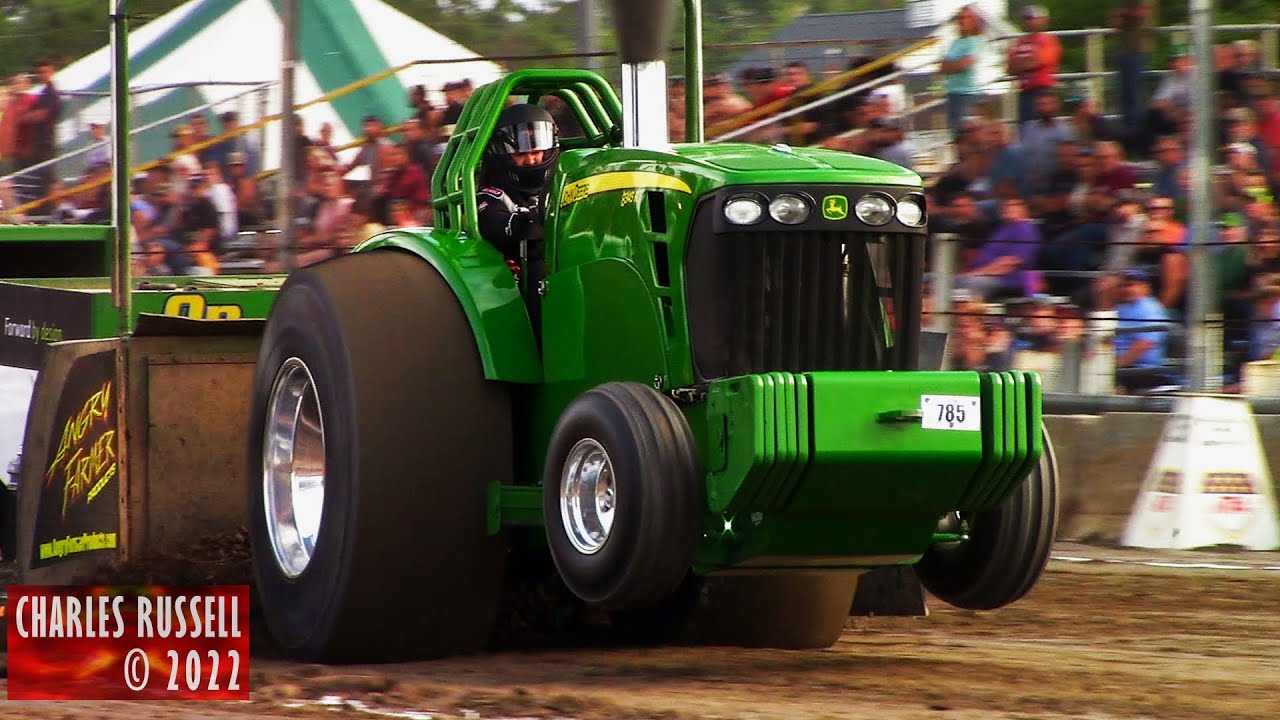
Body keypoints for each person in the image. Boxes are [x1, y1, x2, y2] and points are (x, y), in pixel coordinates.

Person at [476, 103, 560, 321]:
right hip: (516, 287)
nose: (531, 160)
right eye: (522, 153)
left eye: (536, 152)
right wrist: (521, 224)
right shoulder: (494, 194)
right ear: (503, 152)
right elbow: (491, 221)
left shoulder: (561, 184)